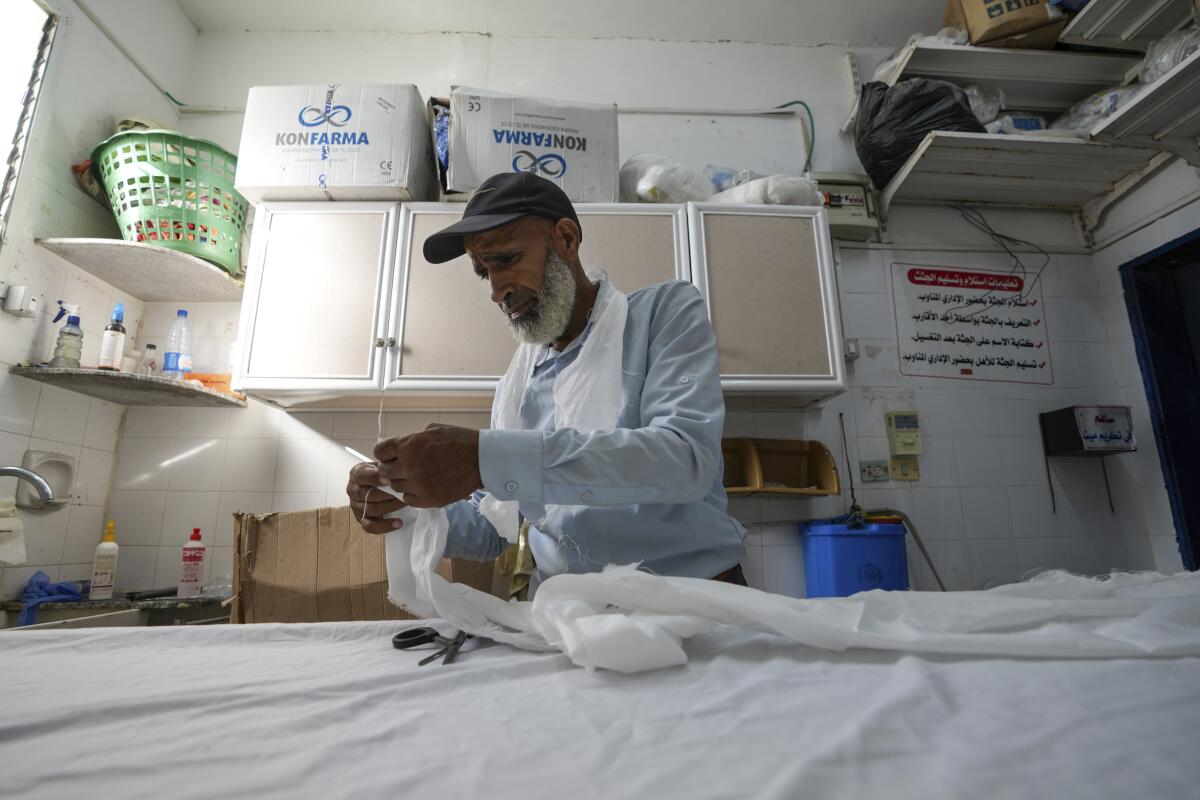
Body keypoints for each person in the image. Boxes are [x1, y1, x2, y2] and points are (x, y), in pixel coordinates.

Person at [346, 172, 746, 593]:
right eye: (484, 271)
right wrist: (405, 499)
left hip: (695, 603)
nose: (497, 291)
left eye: (507, 259)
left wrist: (485, 459)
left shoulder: (663, 314)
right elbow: (492, 527)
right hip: (570, 617)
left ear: (566, 239)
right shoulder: (516, 387)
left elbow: (684, 460)